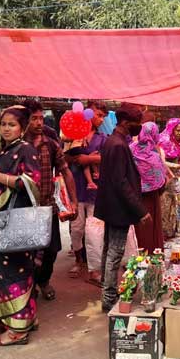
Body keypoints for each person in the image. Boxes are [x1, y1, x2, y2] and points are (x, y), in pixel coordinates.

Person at [0, 105, 42, 346]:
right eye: (3, 124)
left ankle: (17, 330)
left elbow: (32, 185)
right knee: (7, 271)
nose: (6, 128)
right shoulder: (4, 150)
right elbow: (1, 183)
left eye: (12, 124)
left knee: (13, 272)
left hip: (13, 224)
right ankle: (23, 319)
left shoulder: (26, 150)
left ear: (22, 128)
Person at [95, 103, 149, 312]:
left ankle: (107, 291)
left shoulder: (113, 141)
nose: (139, 127)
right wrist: (140, 210)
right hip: (118, 208)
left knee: (109, 249)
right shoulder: (118, 145)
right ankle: (109, 297)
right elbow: (121, 182)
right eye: (137, 123)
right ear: (126, 123)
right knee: (114, 252)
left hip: (111, 205)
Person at [23, 100, 78, 300]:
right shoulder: (16, 145)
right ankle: (28, 287)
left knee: (51, 250)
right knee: (25, 251)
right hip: (24, 209)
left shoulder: (51, 144)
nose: (39, 123)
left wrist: (73, 200)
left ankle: (43, 281)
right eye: (34, 119)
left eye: (40, 118)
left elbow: (65, 171)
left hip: (48, 208)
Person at [65, 101, 108, 284]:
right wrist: (77, 158)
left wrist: (88, 158)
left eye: (102, 117)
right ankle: (78, 260)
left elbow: (108, 157)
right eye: (98, 114)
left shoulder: (103, 138)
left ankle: (94, 267)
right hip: (76, 188)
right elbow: (63, 157)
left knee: (95, 230)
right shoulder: (71, 136)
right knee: (76, 227)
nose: (100, 119)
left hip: (96, 190)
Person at [130, 122, 167, 253]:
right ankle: (153, 254)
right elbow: (162, 181)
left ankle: (137, 255)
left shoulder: (131, 149)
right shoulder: (154, 155)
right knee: (152, 228)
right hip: (152, 197)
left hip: (133, 197)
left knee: (138, 228)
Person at [157, 118, 180, 239]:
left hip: (174, 176)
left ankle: (171, 231)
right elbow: (161, 161)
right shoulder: (163, 141)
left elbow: (178, 158)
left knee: (173, 203)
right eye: (178, 130)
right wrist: (178, 166)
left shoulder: (178, 141)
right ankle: (163, 233)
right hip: (164, 177)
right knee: (165, 204)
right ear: (171, 129)